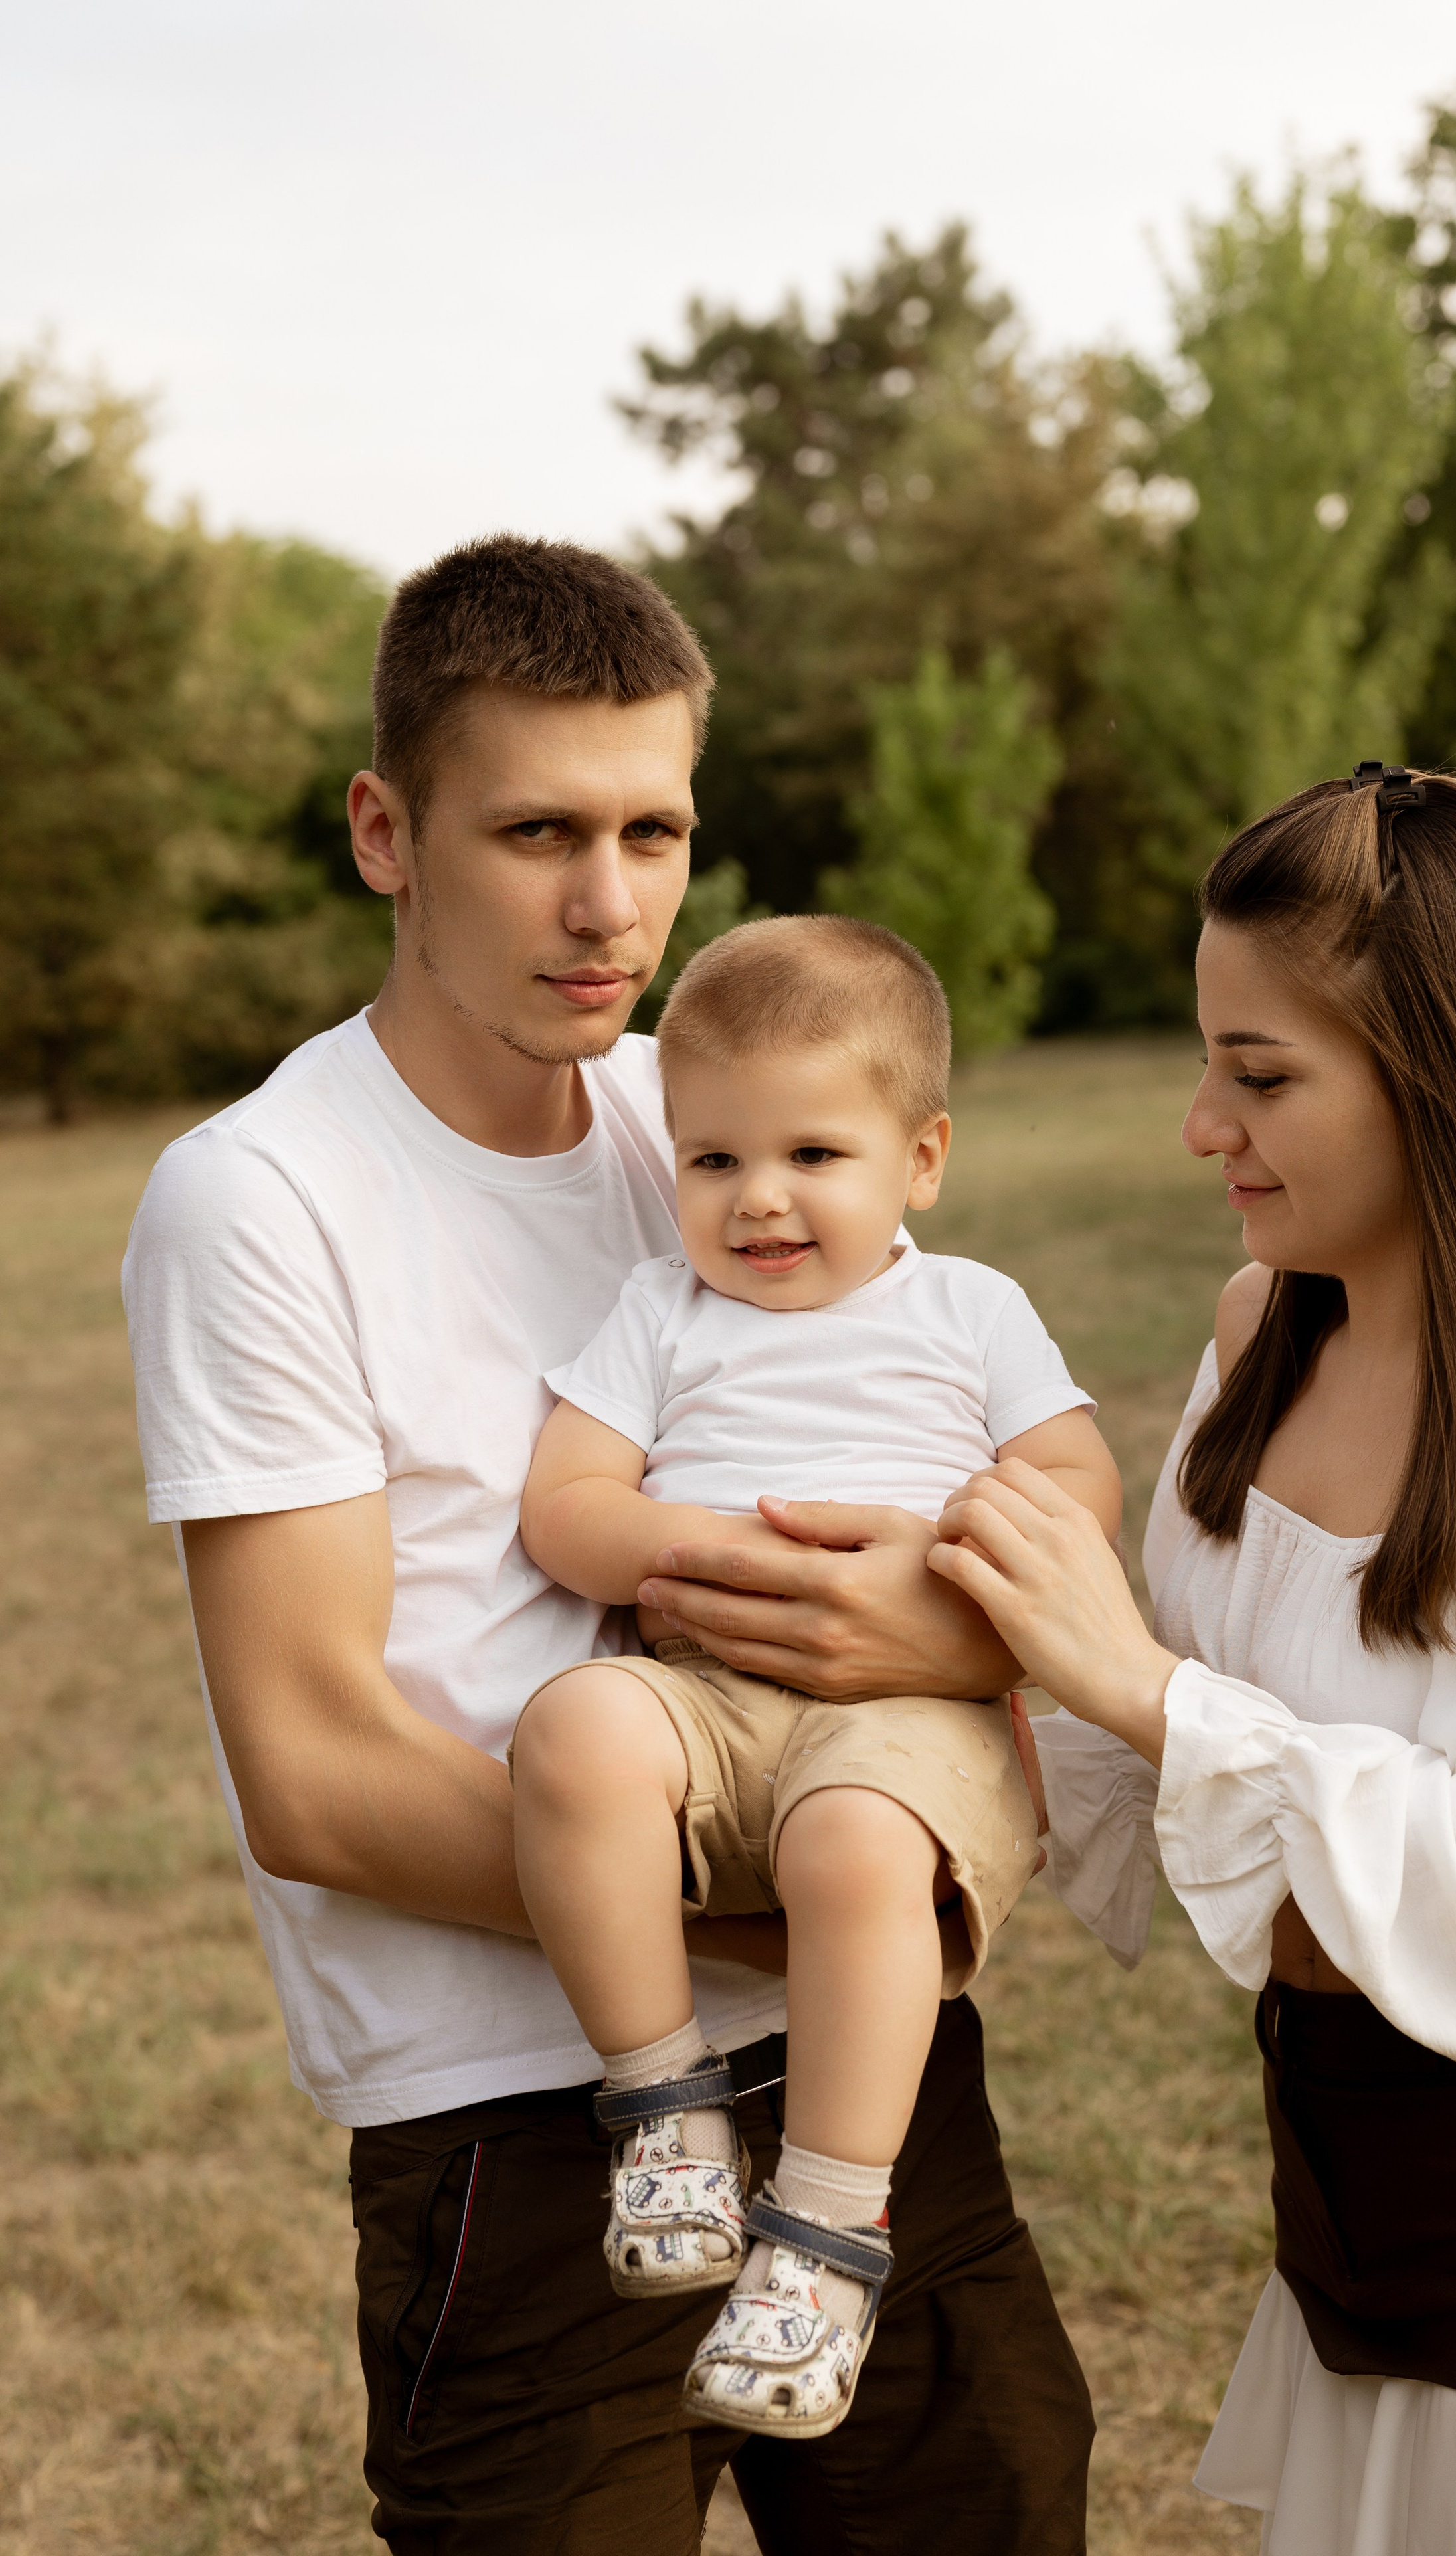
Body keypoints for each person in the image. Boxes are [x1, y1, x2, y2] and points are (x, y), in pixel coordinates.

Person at [120, 534, 1095, 2556]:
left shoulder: (710, 1118)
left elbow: (982, 1455)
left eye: (653, 828)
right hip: (519, 2121)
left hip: (862, 2092)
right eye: (538, 831)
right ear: (386, 831)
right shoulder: (264, 1200)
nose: (609, 904)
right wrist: (826, 1936)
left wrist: (926, 1643)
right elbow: (313, 1777)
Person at [937, 767, 1456, 2553]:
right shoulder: (1262, 1335)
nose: (1207, 1126)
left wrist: (1135, 1687)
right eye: (1213, 1062)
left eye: (1264, 1075)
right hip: (1339, 2213)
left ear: (1445, 1077)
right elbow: (1168, 1760)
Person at [512, 911, 1121, 2440]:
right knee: (575, 1727)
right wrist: (692, 1542)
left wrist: (953, 1572)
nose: (758, 1199)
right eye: (711, 1161)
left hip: (907, 1715)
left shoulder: (967, 1309)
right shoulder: (661, 1312)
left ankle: (824, 2236)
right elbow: (566, 1508)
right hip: (705, 1694)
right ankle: (664, 2108)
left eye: (812, 1157)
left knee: (856, 1846)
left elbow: (1077, 1486)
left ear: (919, 1157)